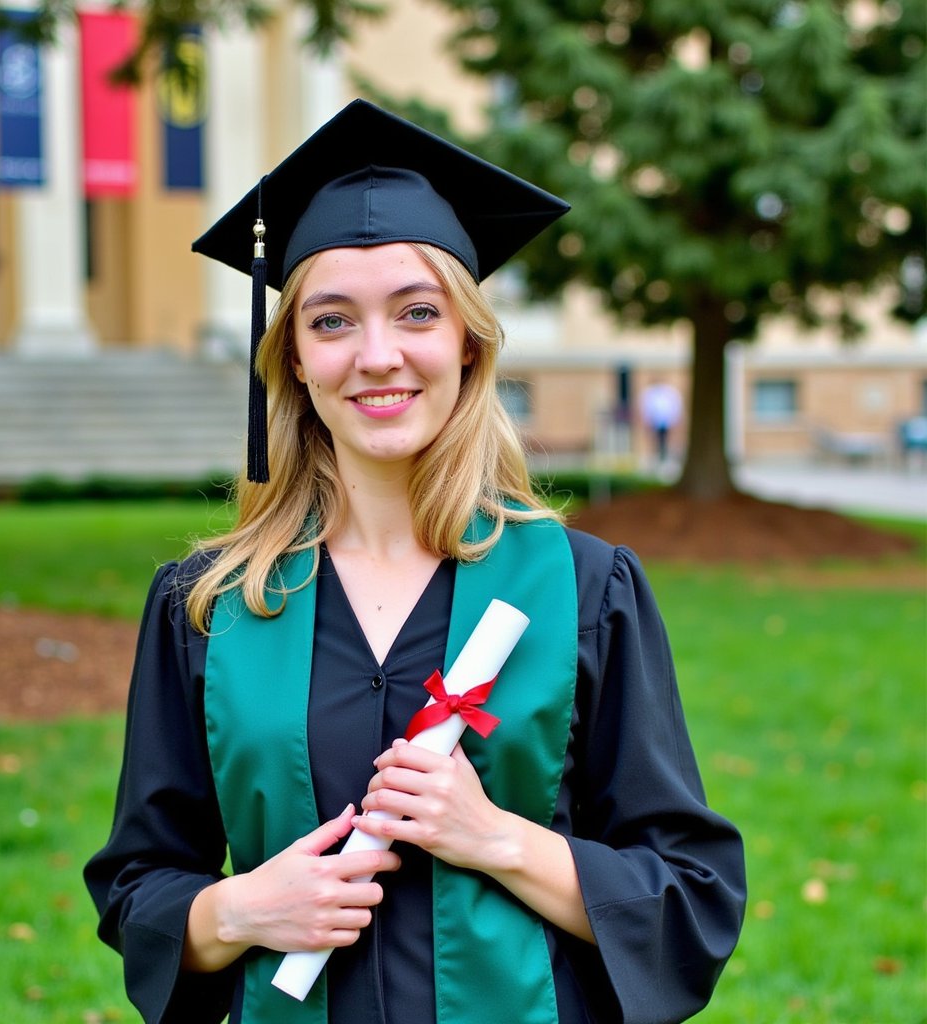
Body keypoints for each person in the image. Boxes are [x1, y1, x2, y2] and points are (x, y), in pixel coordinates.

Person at [84, 100, 745, 1024]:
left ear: (468, 345)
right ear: (295, 362)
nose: (378, 356)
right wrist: (239, 909)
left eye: (418, 312)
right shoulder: (209, 608)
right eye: (332, 322)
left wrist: (494, 838)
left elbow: (688, 895)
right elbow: (139, 885)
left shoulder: (587, 592)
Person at [640, 379, 683, 466]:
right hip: (657, 421)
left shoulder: (666, 393)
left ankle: (663, 456)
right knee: (657, 440)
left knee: (663, 439)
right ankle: (659, 456)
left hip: (664, 421)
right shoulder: (652, 393)